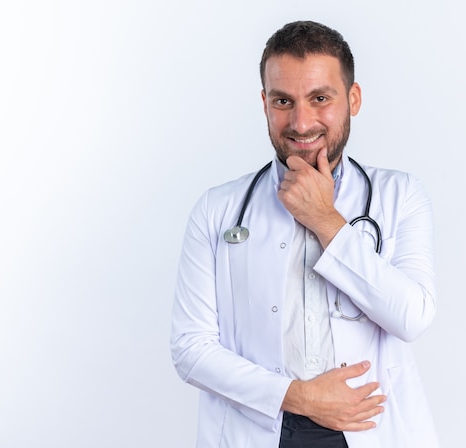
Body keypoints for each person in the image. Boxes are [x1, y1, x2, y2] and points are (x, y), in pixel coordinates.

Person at [171, 20, 438, 447]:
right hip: (258, 427)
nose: (300, 122)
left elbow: (411, 317)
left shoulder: (400, 195)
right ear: (264, 103)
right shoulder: (217, 209)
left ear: (353, 98)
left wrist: (325, 220)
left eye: (320, 98)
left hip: (368, 428)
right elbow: (191, 349)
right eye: (283, 100)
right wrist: (299, 397)